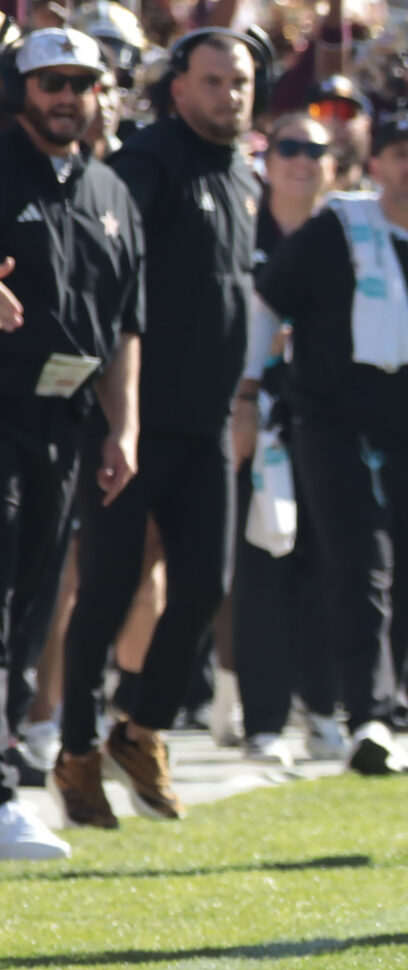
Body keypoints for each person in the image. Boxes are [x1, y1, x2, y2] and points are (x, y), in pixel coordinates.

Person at [61, 28, 263, 823]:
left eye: (240, 81)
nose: (230, 95)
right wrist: (119, 417)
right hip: (130, 419)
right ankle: (75, 751)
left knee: (205, 585)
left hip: (207, 423)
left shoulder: (241, 174)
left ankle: (139, 728)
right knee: (107, 590)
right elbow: (104, 272)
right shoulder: (148, 164)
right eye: (213, 82)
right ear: (177, 89)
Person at [255, 110, 408, 777]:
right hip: (338, 424)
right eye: (398, 152)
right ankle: (368, 716)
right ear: (375, 164)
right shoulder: (336, 229)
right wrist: (249, 390)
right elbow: (269, 300)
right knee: (363, 565)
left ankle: (379, 704)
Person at [0, 28, 142, 858]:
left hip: (64, 424)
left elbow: (126, 325)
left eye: (79, 83)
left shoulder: (113, 191)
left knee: (30, 607)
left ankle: (8, 765)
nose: (64, 96)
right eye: (49, 81)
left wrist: (123, 425)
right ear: (21, 87)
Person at [227, 113, 338, 770]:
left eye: (315, 150)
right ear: (268, 159)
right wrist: (241, 399)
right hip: (255, 415)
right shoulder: (244, 225)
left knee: (327, 568)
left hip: (325, 419)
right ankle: (262, 719)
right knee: (261, 569)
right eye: (289, 148)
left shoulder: (346, 230)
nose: (302, 160)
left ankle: (322, 710)